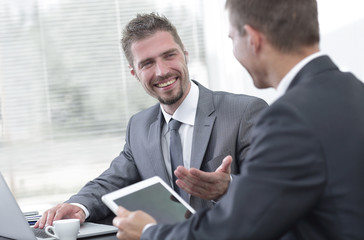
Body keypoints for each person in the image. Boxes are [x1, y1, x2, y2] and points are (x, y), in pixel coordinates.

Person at [111, 0, 364, 239]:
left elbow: (233, 228)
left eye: (232, 38)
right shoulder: (355, 91)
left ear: (252, 39)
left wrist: (148, 234)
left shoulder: (288, 118)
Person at [34, 13, 267, 228]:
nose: (161, 71)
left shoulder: (244, 113)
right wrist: (79, 206)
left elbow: (271, 192)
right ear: (134, 72)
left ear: (185, 54)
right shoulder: (139, 126)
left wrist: (226, 188)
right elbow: (111, 181)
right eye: (147, 63)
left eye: (169, 55)